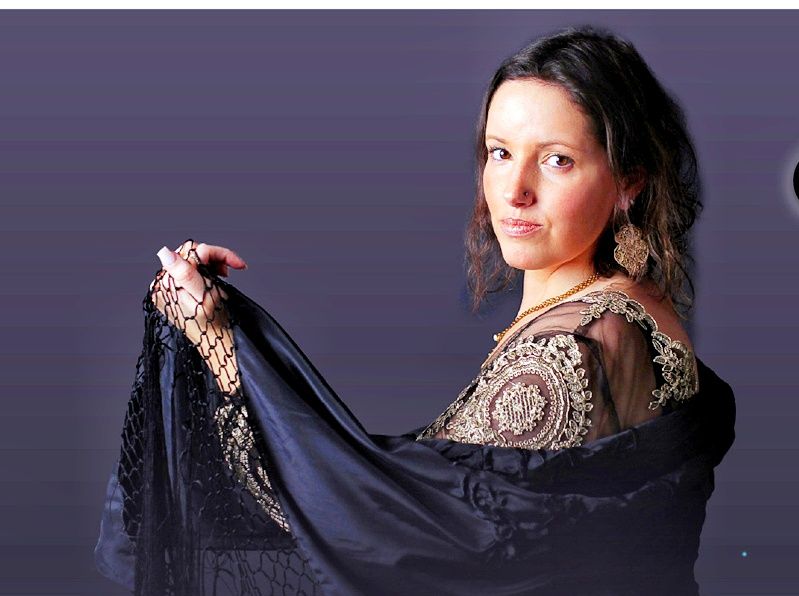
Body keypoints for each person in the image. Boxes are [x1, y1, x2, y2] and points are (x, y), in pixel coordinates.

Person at [94, 25, 736, 596]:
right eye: (500, 152)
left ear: (628, 182)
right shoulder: (633, 310)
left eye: (557, 160)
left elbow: (386, 536)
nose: (515, 190)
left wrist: (217, 340)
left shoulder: (568, 353)